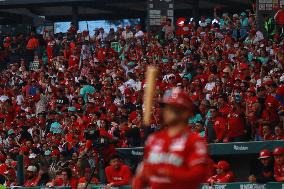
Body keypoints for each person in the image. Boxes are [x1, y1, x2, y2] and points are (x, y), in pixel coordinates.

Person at [132, 88, 208, 189]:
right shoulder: (154, 139)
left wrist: (164, 172)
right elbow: (141, 177)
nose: (167, 111)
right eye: (165, 107)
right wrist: (140, 178)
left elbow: (198, 176)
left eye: (173, 107)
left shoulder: (195, 141)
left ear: (186, 112)